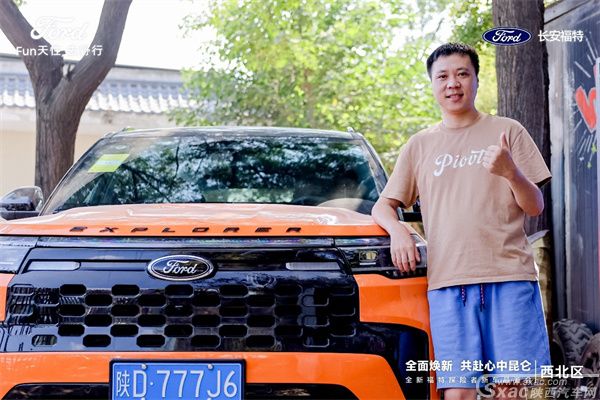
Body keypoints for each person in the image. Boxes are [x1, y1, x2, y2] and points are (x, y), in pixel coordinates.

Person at [372, 43, 552, 400]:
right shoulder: (420, 145)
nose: (452, 83)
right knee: (458, 393)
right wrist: (399, 231)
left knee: (512, 391)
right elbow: (383, 206)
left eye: (462, 74)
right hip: (448, 283)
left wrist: (511, 172)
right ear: (432, 84)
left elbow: (535, 206)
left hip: (509, 277)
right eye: (442, 76)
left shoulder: (508, 131)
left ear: (476, 80)